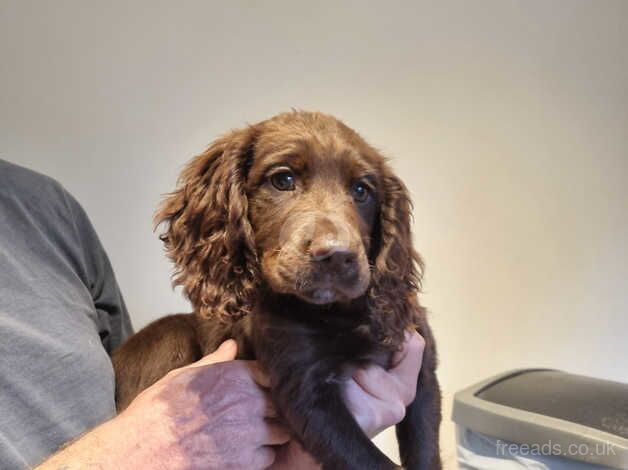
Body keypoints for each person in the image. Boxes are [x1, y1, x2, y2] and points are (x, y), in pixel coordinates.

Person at [0, 159, 425, 469]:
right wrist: (132, 457)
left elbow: (129, 388)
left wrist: (293, 452)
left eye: (360, 191)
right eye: (284, 180)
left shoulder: (46, 208)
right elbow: (156, 421)